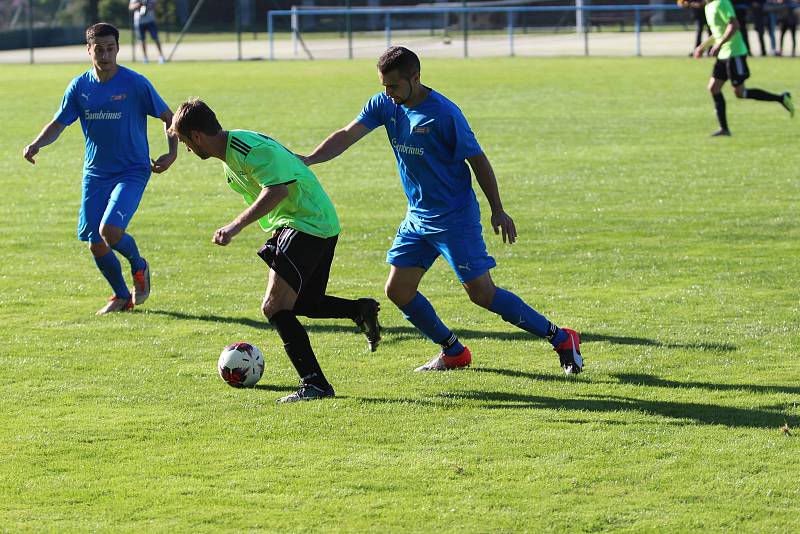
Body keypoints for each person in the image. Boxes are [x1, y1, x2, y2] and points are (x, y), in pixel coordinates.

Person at [300, 46, 584, 375]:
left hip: (454, 219)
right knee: (398, 290)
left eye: (393, 86)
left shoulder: (444, 114)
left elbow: (477, 159)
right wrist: (309, 159)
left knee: (482, 294)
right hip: (417, 218)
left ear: (415, 78)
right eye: (384, 86)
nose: (388, 93)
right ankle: (453, 352)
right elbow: (346, 135)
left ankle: (562, 338)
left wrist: (498, 209)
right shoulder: (385, 105)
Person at [169, 98, 382, 403]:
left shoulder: (246, 150)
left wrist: (234, 226)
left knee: (274, 306)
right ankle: (357, 310)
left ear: (197, 136)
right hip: (313, 221)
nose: (187, 149)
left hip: (304, 221)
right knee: (303, 302)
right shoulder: (233, 157)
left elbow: (277, 190)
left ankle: (315, 384)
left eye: (185, 141)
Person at [22, 23, 177, 314]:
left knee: (110, 231)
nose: (105, 54)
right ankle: (122, 297)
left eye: (110, 48)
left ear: (117, 48)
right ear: (89, 49)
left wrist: (172, 154)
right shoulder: (80, 87)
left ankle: (139, 265)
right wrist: (36, 144)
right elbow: (58, 123)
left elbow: (170, 118)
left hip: (132, 170)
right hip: (96, 174)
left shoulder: (135, 84)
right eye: (99, 49)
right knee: (96, 243)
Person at [694, 0, 794, 136]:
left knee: (740, 93)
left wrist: (719, 45)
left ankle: (781, 98)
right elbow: (719, 31)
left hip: (734, 52)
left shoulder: (722, 3)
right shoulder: (709, 7)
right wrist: (702, 47)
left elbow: (734, 25)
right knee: (714, 88)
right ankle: (724, 129)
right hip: (723, 54)